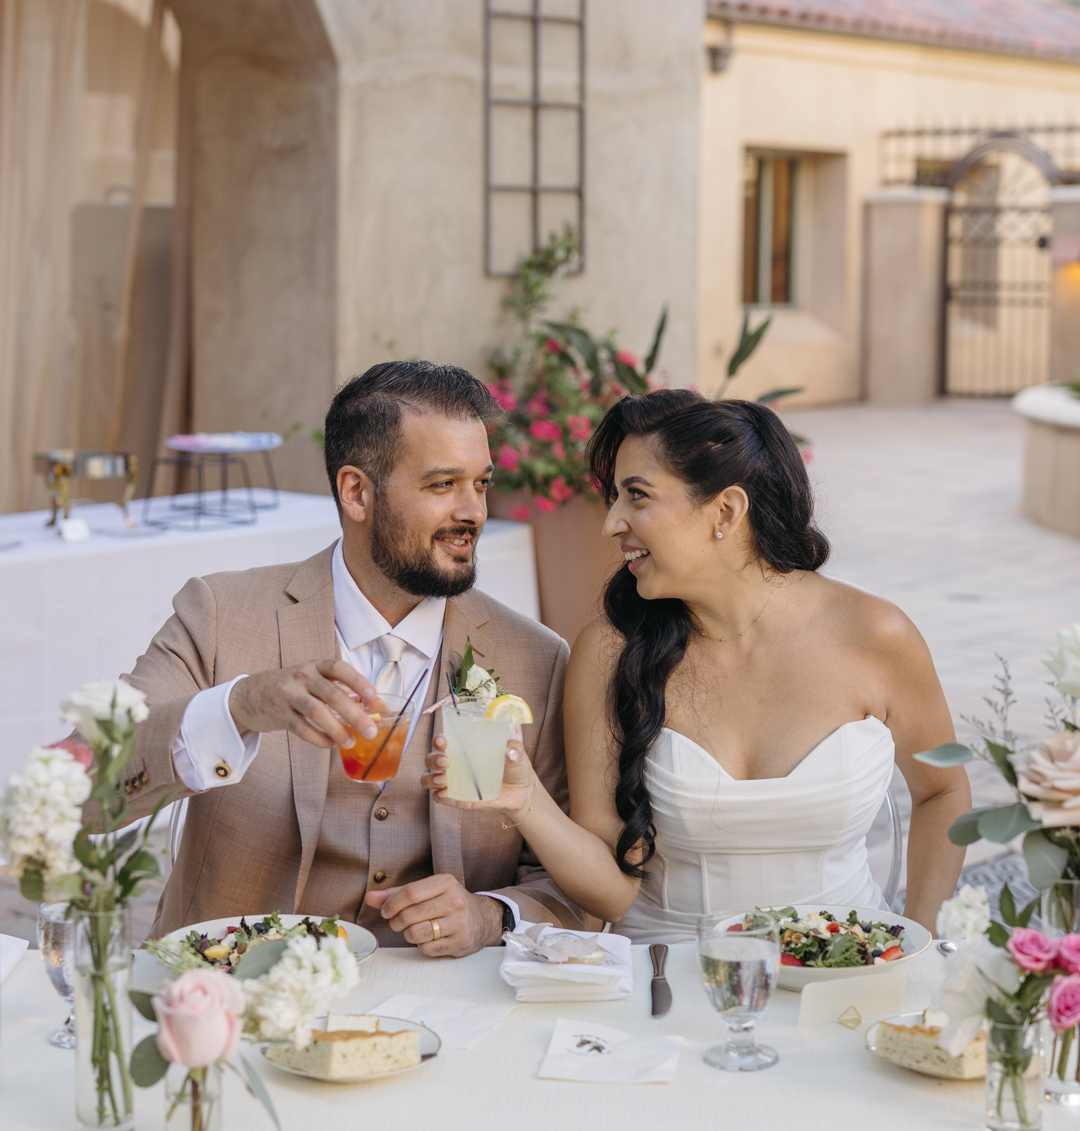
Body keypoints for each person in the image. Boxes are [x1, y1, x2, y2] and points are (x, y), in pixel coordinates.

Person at [424, 389, 971, 938]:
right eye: (615, 497)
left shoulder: (876, 636)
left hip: (840, 978)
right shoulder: (610, 649)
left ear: (726, 512)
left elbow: (942, 791)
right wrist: (525, 801)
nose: (612, 522)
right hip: (664, 981)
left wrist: (917, 942)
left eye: (637, 496)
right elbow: (611, 891)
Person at [107, 361, 587, 954]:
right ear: (356, 492)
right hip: (232, 995)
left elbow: (578, 883)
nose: (474, 513)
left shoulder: (536, 658)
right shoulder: (219, 614)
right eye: (442, 485)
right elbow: (93, 791)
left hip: (441, 1002)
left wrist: (495, 914)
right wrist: (239, 706)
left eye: (481, 484)